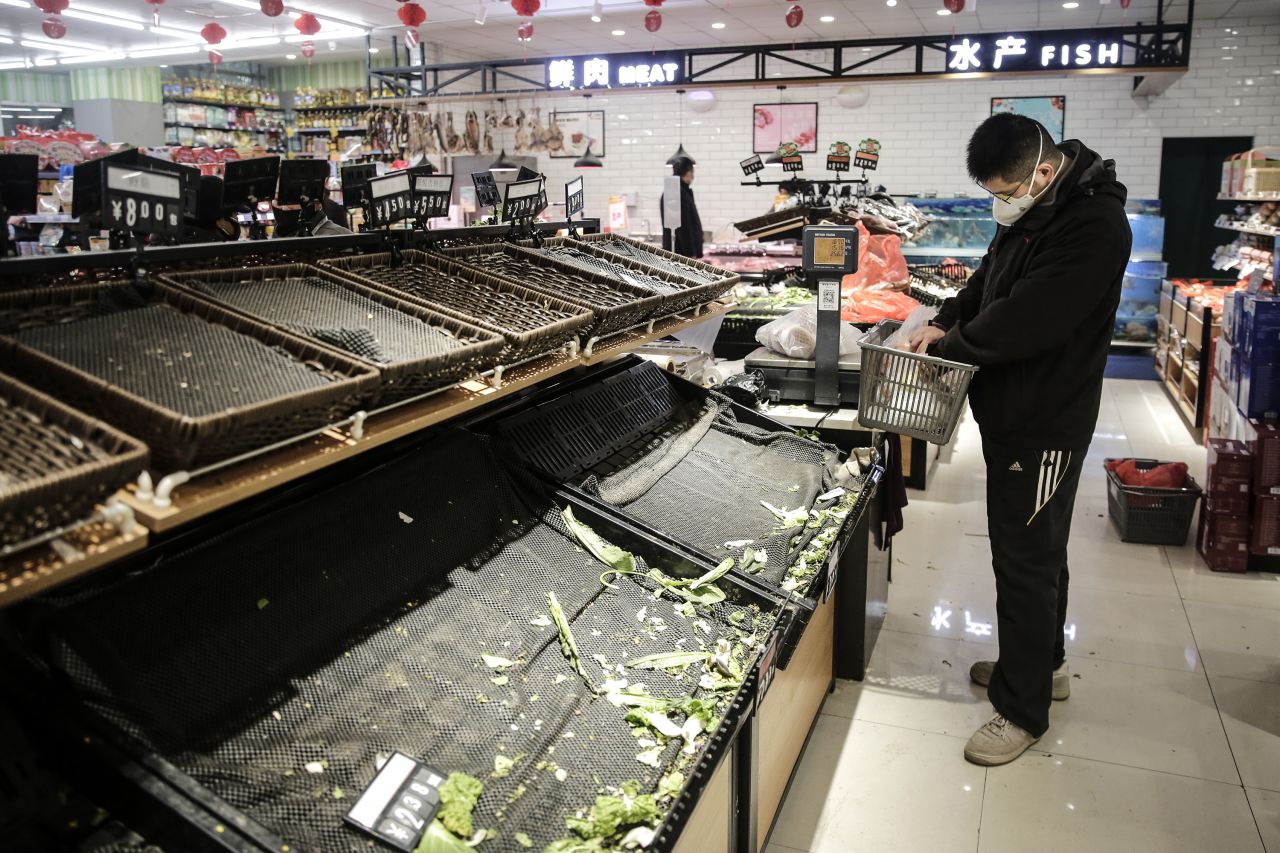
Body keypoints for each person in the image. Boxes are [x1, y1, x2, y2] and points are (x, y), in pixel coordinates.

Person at [908, 113, 1132, 766]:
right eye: (995, 195)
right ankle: (1043, 665)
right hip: (1015, 411)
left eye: (1008, 192)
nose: (1001, 205)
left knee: (1025, 559)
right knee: (1039, 546)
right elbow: (990, 279)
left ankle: (1021, 709)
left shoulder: (1093, 225)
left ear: (1042, 169)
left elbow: (1032, 315)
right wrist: (948, 315)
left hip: (1046, 420)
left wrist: (953, 344)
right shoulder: (1036, 212)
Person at [661, 157, 703, 258]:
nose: (693, 176)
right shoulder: (677, 192)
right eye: (692, 172)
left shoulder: (679, 191)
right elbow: (683, 228)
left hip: (681, 255)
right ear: (688, 172)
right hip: (681, 256)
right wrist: (690, 255)